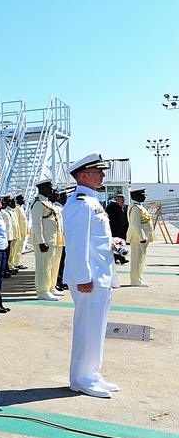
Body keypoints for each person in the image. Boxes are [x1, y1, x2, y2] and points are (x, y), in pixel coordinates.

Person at [63, 153, 119, 398]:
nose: (103, 176)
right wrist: (83, 277)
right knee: (87, 328)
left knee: (96, 327)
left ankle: (92, 374)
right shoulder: (80, 202)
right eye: (99, 172)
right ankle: (81, 379)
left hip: (101, 275)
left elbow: (93, 238)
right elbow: (75, 245)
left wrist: (111, 242)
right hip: (90, 278)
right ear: (84, 175)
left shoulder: (93, 201)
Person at [30, 179, 61, 301]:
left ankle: (49, 288)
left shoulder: (45, 201)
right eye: (49, 187)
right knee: (43, 267)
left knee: (49, 265)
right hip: (44, 240)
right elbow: (37, 224)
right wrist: (41, 241)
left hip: (50, 239)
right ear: (42, 188)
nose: (51, 190)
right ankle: (42, 291)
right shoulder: (38, 202)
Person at [127, 188, 155, 287]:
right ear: (135, 196)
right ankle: (135, 280)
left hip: (142, 237)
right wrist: (141, 237)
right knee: (136, 260)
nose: (144, 197)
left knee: (141, 259)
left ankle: (139, 278)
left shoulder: (139, 206)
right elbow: (135, 224)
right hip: (138, 238)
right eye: (142, 195)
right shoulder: (135, 207)